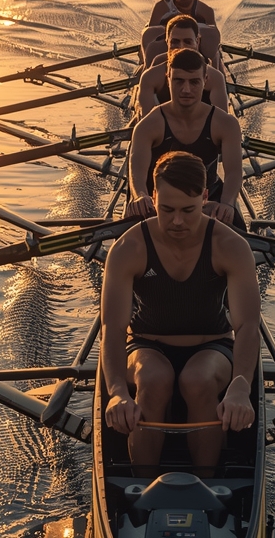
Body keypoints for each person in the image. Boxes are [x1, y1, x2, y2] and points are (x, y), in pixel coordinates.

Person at [101, 151, 260, 475]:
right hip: (146, 344)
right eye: (167, 209)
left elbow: (247, 326)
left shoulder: (230, 246)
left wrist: (242, 385)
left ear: (204, 197)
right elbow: (113, 329)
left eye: (188, 210)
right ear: (153, 196)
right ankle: (140, 485)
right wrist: (116, 391)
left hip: (212, 345)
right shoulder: (128, 248)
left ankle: (207, 481)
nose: (177, 221)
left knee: (197, 380)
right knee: (154, 378)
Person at [126, 48, 243, 227]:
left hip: (206, 199)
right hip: (160, 202)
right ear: (168, 77)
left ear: (205, 80)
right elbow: (137, 172)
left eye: (194, 82)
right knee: (133, 220)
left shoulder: (226, 124)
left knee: (232, 221)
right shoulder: (148, 125)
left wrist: (227, 203)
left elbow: (234, 172)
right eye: (178, 81)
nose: (186, 89)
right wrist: (140, 195)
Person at [137, 14, 228, 118]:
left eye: (187, 42)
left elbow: (221, 122)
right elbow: (147, 122)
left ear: (197, 42)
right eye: (175, 42)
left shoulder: (216, 78)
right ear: (167, 42)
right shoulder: (150, 77)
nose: (181, 47)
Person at [142, 0, 221, 69]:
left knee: (216, 55)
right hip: (167, 49)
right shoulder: (161, 8)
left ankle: (218, 77)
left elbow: (213, 42)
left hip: (197, 51)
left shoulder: (206, 12)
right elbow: (150, 39)